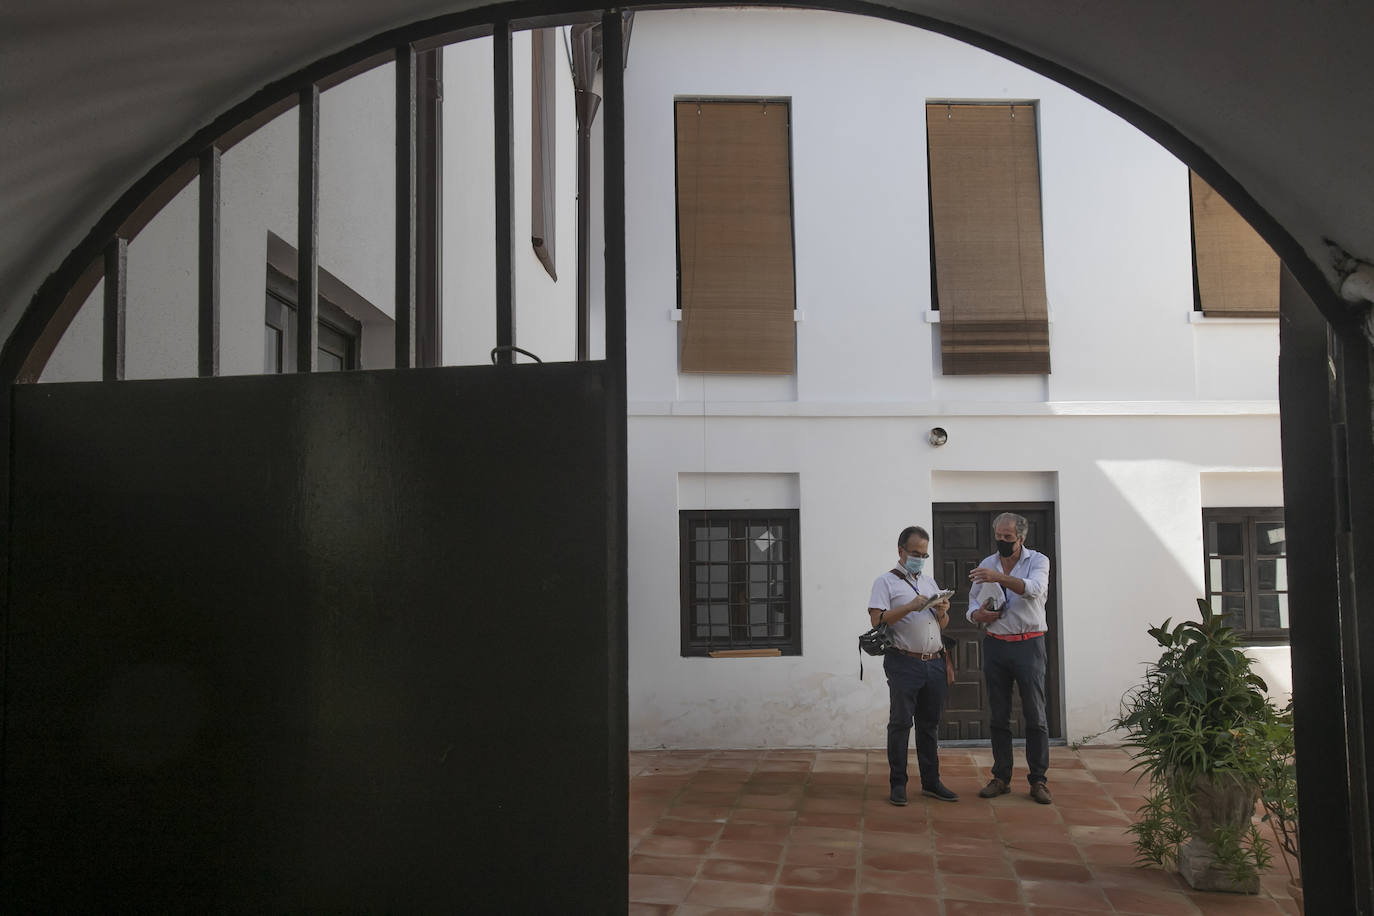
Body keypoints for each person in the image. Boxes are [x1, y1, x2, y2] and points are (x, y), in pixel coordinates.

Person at [868, 525, 958, 806]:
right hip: (904, 661)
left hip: (933, 663)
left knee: (929, 726)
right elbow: (876, 620)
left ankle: (931, 782)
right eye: (915, 553)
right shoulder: (886, 582)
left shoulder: (930, 583)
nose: (920, 558)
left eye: (924, 554)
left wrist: (942, 613)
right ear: (901, 551)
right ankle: (898, 784)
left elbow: (942, 625)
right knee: (900, 724)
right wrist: (909, 607)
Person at [968, 512, 1053, 804]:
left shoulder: (1038, 561)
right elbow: (972, 604)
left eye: (1008, 537)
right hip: (996, 644)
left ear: (1021, 537)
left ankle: (1038, 780)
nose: (1002, 541)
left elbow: (1035, 590)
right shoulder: (986, 565)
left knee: (1035, 716)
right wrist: (978, 614)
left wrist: (1000, 577)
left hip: (1029, 644)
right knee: (999, 716)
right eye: (999, 536)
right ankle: (1001, 777)